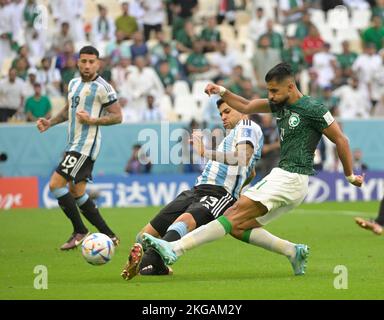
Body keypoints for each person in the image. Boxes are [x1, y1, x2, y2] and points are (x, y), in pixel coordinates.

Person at [141, 62, 365, 275]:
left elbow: (341, 140)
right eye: (268, 90)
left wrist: (349, 175)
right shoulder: (279, 104)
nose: (271, 96)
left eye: (274, 90)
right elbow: (247, 105)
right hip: (288, 179)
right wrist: (222, 91)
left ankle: (175, 248)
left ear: (291, 86)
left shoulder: (313, 108)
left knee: (232, 214)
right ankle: (292, 251)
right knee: (238, 226)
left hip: (291, 176)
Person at [121, 99, 264, 280]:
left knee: (184, 221)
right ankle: (158, 266)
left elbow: (243, 157)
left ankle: (145, 262)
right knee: (143, 236)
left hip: (220, 193)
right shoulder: (232, 135)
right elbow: (250, 171)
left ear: (242, 109)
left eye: (227, 111)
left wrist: (205, 153)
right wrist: (242, 184)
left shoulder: (247, 125)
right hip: (196, 190)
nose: (223, 117)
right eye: (221, 113)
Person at [36, 46, 122, 250]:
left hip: (85, 145)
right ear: (78, 62)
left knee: (56, 185)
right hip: (73, 144)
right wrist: (50, 122)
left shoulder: (104, 87)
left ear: (98, 63)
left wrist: (92, 120)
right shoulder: (73, 84)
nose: (87, 65)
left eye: (91, 61)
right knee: (77, 191)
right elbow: (68, 110)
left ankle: (80, 231)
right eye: (83, 61)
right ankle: (110, 235)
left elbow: (117, 116)